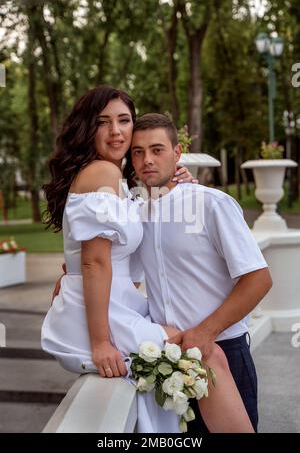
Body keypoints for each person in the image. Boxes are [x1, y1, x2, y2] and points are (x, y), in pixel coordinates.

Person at [42, 85, 255, 433]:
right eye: (103, 122)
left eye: (124, 120)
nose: (116, 131)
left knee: (196, 350)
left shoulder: (117, 181)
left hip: (114, 305)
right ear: (87, 127)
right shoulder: (102, 172)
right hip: (104, 314)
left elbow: (97, 250)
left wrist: (173, 183)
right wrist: (100, 343)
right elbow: (94, 263)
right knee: (209, 356)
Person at [129, 113, 273, 432]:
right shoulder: (136, 215)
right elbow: (128, 280)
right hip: (167, 359)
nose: (147, 160)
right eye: (137, 152)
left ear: (177, 152)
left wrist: (206, 331)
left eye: (157, 149)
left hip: (223, 353)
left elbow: (259, 279)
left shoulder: (212, 204)